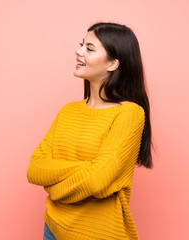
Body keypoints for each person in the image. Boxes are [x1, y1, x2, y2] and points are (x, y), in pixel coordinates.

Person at [27, 22, 153, 240]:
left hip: (97, 233)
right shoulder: (68, 111)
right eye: (81, 45)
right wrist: (87, 169)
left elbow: (97, 179)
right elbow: (34, 169)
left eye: (90, 48)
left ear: (113, 64)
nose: (79, 51)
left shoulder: (129, 114)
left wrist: (56, 188)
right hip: (53, 228)